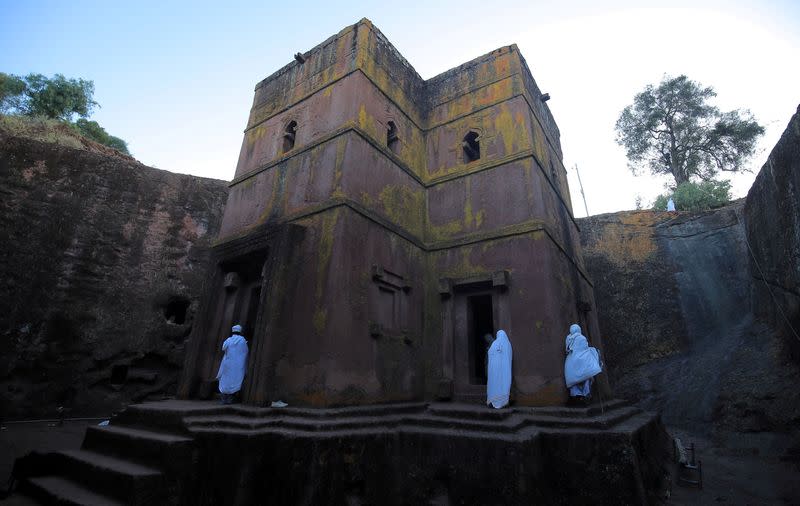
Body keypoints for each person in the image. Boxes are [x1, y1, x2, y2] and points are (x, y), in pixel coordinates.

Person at [564, 324, 602, 404]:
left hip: (571, 362)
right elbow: (585, 349)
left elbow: (567, 349)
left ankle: (576, 395)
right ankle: (586, 394)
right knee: (587, 377)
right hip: (583, 362)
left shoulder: (568, 338)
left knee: (573, 380)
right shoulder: (582, 338)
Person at [216, 324, 249, 405]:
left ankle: (225, 398)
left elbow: (223, 348)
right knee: (235, 379)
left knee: (225, 380)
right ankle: (230, 398)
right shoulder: (242, 340)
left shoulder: (228, 340)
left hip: (227, 363)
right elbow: (245, 352)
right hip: (238, 365)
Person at [486, 330, 512, 409]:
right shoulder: (508, 344)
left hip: (495, 370)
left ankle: (493, 401)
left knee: (495, 384)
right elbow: (509, 357)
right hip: (505, 370)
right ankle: (503, 402)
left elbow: (490, 353)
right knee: (504, 383)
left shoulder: (495, 343)